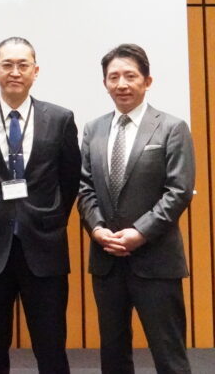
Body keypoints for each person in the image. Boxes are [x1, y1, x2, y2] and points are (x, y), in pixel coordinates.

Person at [0, 37, 80, 374]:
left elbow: (69, 181)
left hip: (45, 248)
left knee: (51, 347)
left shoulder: (60, 118)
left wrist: (46, 218)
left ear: (35, 71)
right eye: (7, 65)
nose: (15, 72)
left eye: (23, 65)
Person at [78, 44, 194, 373]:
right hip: (107, 261)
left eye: (130, 76)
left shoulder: (171, 127)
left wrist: (140, 233)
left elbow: (178, 191)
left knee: (169, 356)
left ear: (147, 81)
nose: (122, 84)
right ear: (105, 83)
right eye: (113, 77)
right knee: (113, 356)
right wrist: (97, 229)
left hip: (156, 260)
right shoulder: (93, 129)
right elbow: (85, 187)